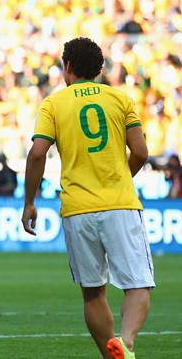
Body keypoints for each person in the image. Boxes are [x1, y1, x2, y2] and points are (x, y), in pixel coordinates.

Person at [21, 37, 154, 359]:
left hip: (77, 209)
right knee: (138, 285)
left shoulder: (53, 104)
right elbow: (141, 151)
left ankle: (113, 356)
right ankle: (126, 342)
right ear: (100, 68)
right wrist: (122, 175)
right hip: (120, 204)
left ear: (67, 66)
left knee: (93, 293)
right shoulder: (120, 99)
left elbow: (38, 153)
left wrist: (29, 201)